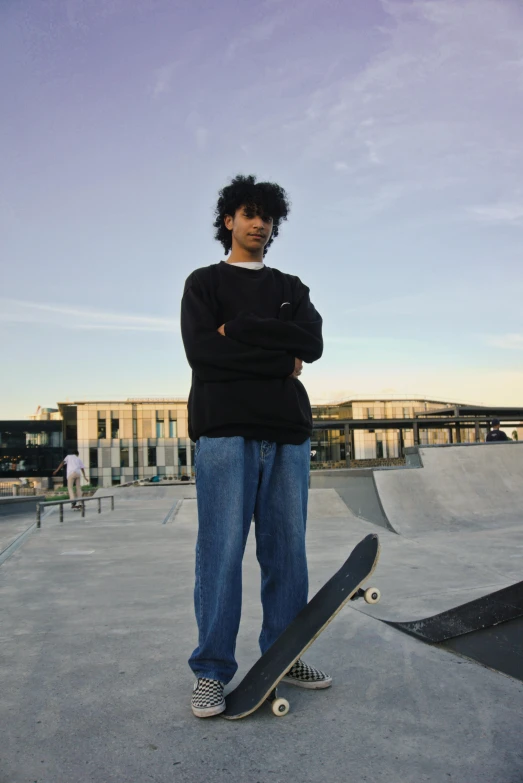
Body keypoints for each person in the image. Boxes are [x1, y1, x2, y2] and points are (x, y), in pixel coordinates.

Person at [181, 174, 328, 718]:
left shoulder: (292, 286)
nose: (259, 223)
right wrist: (275, 352)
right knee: (220, 552)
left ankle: (286, 656)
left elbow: (310, 344)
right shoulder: (204, 283)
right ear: (229, 221)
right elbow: (203, 355)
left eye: (267, 216)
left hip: (287, 434)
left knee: (287, 553)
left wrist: (239, 332)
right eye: (248, 213)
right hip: (224, 432)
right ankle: (211, 672)